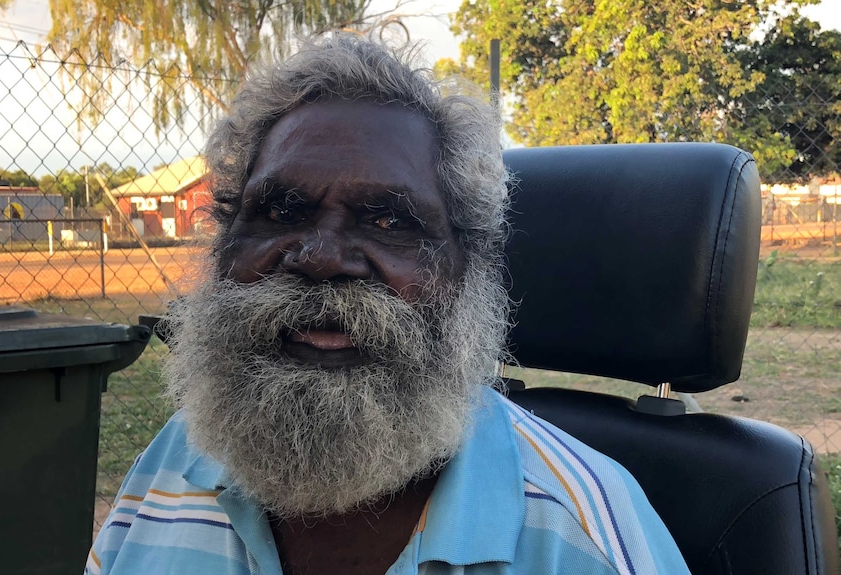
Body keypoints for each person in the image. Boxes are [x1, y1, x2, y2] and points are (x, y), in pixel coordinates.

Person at [86, 34, 690, 575]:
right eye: (280, 212)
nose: (321, 258)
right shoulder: (172, 461)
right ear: (221, 249)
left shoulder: (580, 539)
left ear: (465, 267)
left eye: (387, 220)